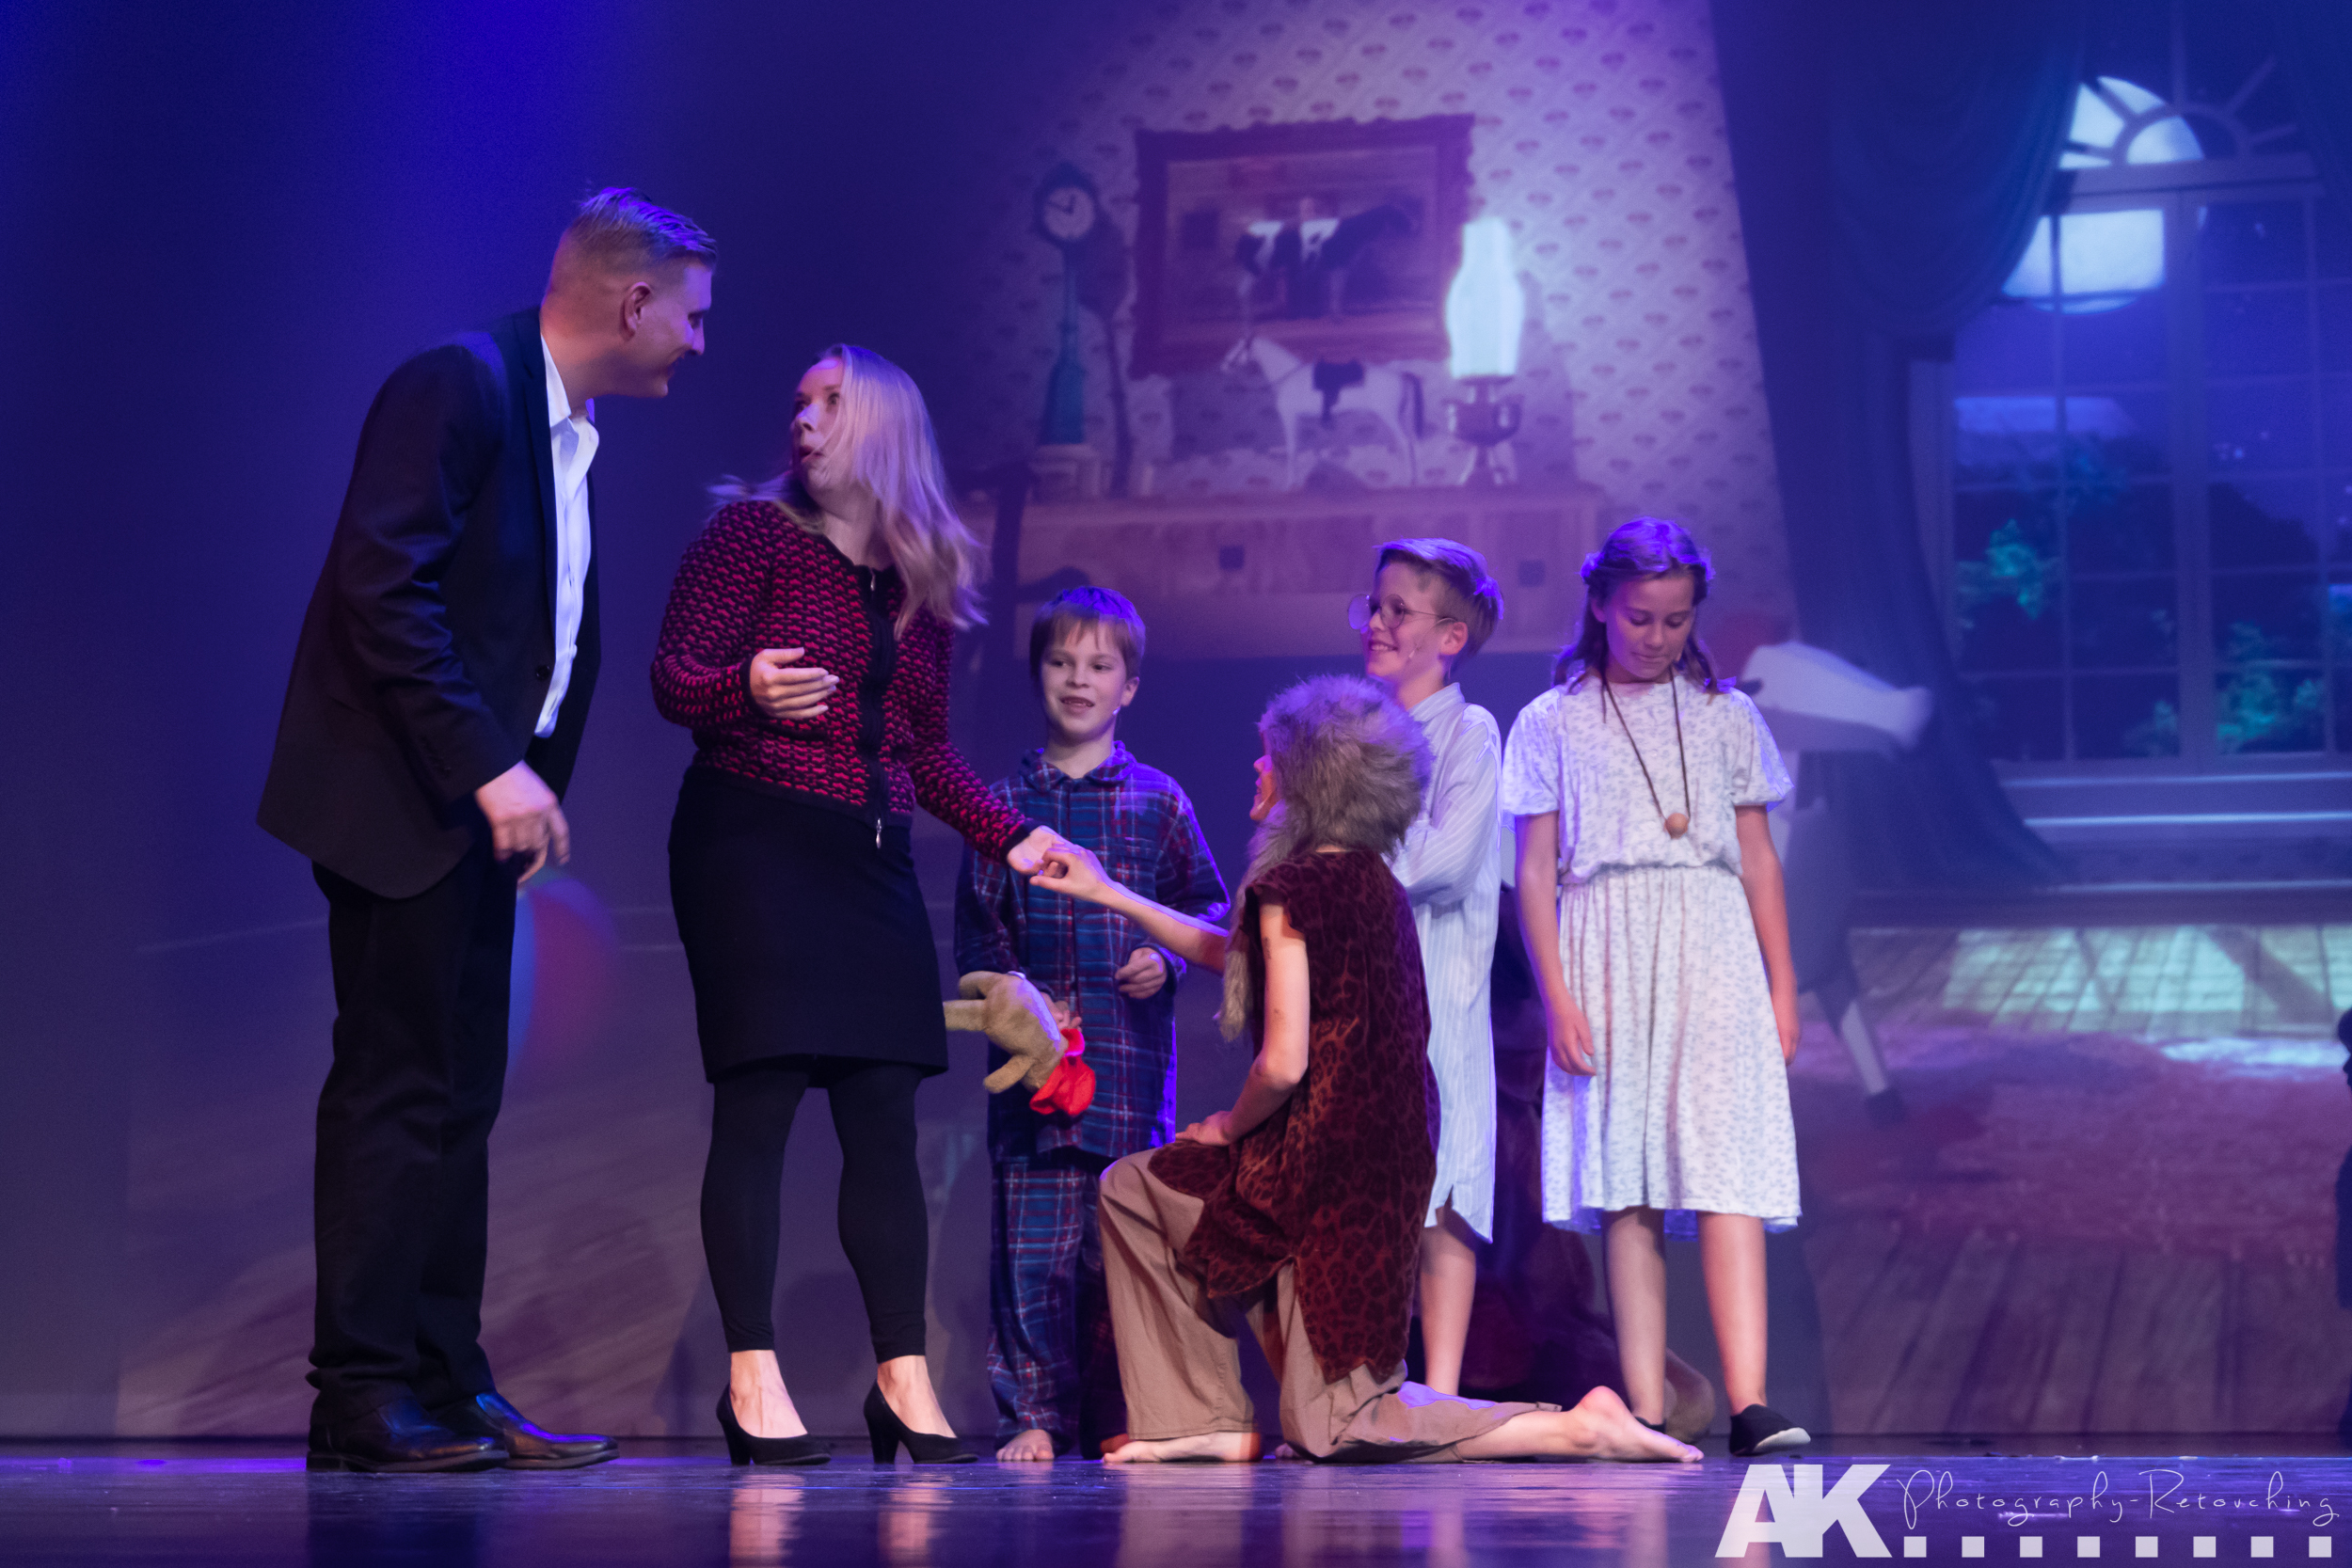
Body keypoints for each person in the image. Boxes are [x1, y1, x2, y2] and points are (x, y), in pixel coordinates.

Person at [258, 188, 714, 1472]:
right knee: (397, 1088)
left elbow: (532, 628)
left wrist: (516, 785)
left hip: (469, 821)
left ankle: (444, 1379)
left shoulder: (566, 429)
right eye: (693, 314)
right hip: (404, 800)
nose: (699, 340)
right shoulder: (458, 385)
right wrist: (490, 769)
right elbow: (384, 587)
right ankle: (360, 1393)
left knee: (460, 1096)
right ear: (634, 302)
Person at [1030, 675, 1697, 1465]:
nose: (1258, 768)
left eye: (1271, 757)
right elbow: (1236, 955)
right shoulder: (1370, 881)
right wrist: (1112, 892)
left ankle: (1577, 1425)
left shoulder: (1292, 888)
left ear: (1310, 779)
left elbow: (1283, 1062)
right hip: (1364, 1161)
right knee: (1140, 1189)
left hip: (1322, 1171)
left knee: (1343, 1422)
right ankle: (1200, 1415)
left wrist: (1226, 1126)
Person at [652, 344, 1069, 1467]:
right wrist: (741, 685)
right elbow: (672, 676)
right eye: (798, 401)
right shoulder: (749, 535)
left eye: (830, 402)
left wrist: (1013, 833)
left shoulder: (915, 576)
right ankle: (751, 1376)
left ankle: (902, 1376)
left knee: (883, 1106)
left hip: (870, 856)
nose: (804, 419)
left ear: (882, 423)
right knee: (761, 1097)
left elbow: (923, 748)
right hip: (751, 838)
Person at [1499, 516, 1809, 1458]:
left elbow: (1758, 859)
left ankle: (1750, 1401)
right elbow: (1536, 873)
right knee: (1625, 1173)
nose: (1657, 636)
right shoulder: (1552, 719)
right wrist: (1557, 995)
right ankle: (1643, 1404)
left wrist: (1782, 984)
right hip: (1604, 944)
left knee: (1725, 1169)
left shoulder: (1725, 715)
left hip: (1711, 944)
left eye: (1676, 620)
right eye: (1640, 617)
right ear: (1599, 604)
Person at [955, 586, 1229, 1462]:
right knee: (1032, 1254)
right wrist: (1016, 997)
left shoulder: (1157, 801)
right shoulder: (1000, 805)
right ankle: (1034, 1413)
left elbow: (1208, 909)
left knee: (1124, 1255)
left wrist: (1167, 961)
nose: (1079, 679)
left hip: (1127, 1072)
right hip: (1036, 1084)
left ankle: (1130, 1410)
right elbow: (979, 934)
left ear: (1129, 686)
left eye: (1099, 665)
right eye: (1061, 661)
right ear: (1037, 672)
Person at [1352, 538, 1505, 1399]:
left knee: (1441, 1199)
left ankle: (1439, 1396)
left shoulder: (1470, 733)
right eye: (1373, 606)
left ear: (1450, 637)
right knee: (1366, 1193)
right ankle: (1365, 1387)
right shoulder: (1349, 733)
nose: (1376, 623)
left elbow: (1441, 861)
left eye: (1398, 610)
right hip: (1357, 999)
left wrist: (1359, 821)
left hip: (1438, 995)